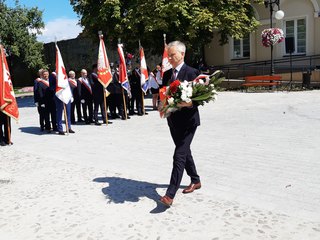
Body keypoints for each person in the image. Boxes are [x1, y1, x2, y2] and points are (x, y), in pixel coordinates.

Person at [160, 41, 201, 207]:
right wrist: (162, 107)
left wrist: (189, 103)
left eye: (172, 55)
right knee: (185, 152)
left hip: (189, 122)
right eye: (168, 55)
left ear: (182, 54)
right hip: (173, 121)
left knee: (179, 155)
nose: (169, 58)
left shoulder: (193, 72)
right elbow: (163, 94)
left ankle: (170, 194)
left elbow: (199, 100)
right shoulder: (166, 74)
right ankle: (196, 180)